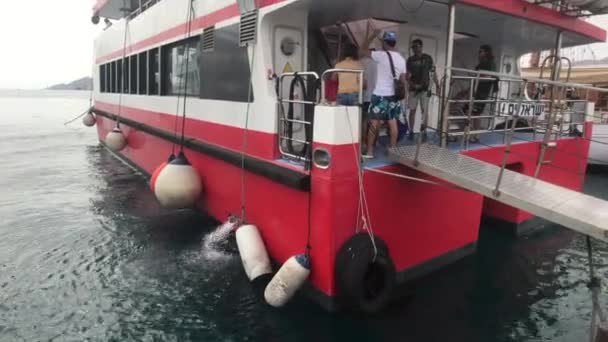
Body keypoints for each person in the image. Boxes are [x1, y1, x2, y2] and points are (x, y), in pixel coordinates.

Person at [360, 30, 407, 158]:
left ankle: (369, 152)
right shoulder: (401, 60)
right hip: (393, 96)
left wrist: (371, 34)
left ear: (385, 43)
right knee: (393, 123)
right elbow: (403, 80)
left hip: (380, 95)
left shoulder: (380, 55)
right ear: (394, 43)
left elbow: (362, 50)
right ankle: (392, 151)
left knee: (373, 123)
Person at [406, 39, 439, 142]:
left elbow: (433, 73)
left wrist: (438, 86)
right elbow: (407, 76)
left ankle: (424, 131)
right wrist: (413, 85)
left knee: (425, 112)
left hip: (425, 89)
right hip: (413, 89)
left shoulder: (428, 58)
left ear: (421, 46)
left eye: (416, 46)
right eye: (413, 47)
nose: (414, 49)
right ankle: (411, 131)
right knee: (412, 111)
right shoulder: (410, 60)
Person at [469, 44, 497, 143]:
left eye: (480, 51)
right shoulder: (480, 64)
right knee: (472, 113)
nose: (479, 53)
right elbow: (477, 73)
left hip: (483, 91)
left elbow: (490, 77)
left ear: (486, 52)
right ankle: (473, 134)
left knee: (476, 113)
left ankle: (476, 136)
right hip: (476, 90)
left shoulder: (490, 63)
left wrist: (478, 76)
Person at [360, 49, 377, 148]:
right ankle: (373, 142)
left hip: (364, 96)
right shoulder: (378, 64)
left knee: (364, 121)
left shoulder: (362, 62)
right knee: (375, 121)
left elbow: (363, 83)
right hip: (376, 96)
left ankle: (363, 143)